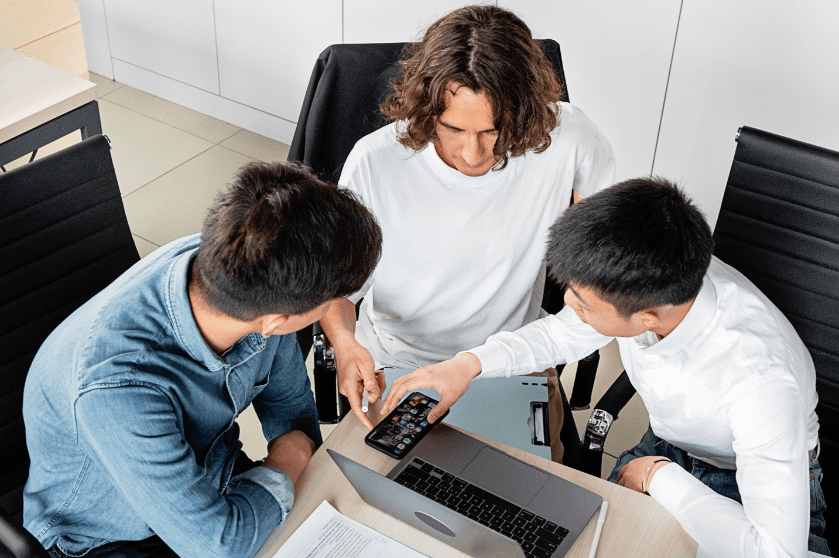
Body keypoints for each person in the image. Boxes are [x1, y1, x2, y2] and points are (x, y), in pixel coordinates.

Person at [383, 177, 829, 556]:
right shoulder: (654, 275)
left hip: (742, 481)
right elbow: (560, 335)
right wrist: (468, 365)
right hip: (670, 442)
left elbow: (776, 551)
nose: (568, 308)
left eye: (581, 303)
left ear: (648, 317)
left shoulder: (760, 382)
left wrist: (659, 475)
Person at [23, 162, 383, 558]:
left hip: (216, 480)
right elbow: (218, 545)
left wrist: (289, 455)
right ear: (277, 321)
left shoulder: (255, 277)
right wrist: (291, 457)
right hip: (107, 538)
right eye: (327, 302)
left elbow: (292, 416)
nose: (331, 309)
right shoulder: (118, 389)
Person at [320, 5, 615, 463]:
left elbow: (611, 253)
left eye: (494, 131)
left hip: (513, 359)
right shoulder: (375, 162)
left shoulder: (571, 137)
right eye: (452, 128)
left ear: (526, 111)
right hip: (399, 366)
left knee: (528, 508)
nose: (473, 152)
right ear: (424, 108)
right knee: (389, 499)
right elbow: (337, 288)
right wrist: (343, 342)